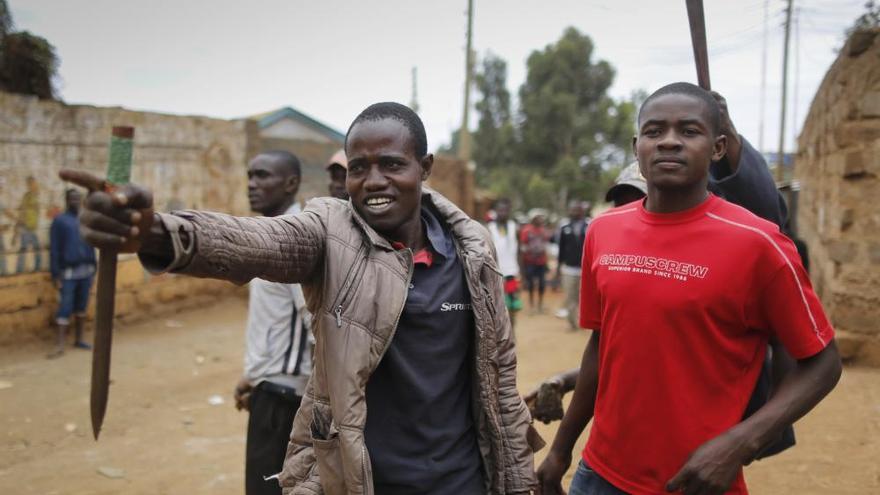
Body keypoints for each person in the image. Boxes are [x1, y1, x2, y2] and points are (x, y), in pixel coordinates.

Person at [63, 102, 538, 494]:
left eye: (392, 164)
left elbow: (499, 386)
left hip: (462, 483)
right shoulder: (331, 233)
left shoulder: (473, 249)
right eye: (358, 168)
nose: (373, 181)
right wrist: (158, 233)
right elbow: (253, 242)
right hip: (358, 482)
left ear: (425, 168)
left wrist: (520, 483)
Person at [536, 82, 841, 495]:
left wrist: (740, 442)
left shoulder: (759, 244)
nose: (669, 142)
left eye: (689, 131)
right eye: (655, 131)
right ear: (636, 145)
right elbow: (601, 346)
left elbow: (823, 364)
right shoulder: (603, 232)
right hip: (599, 475)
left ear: (717, 148)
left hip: (697, 482)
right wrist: (561, 450)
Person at [231, 151, 313, 495]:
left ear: (291, 183)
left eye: (263, 176)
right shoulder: (271, 234)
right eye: (250, 175)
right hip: (271, 388)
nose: (252, 184)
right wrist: (253, 378)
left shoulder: (293, 240)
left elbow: (315, 322)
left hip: (285, 399)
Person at [47, 188, 96, 358]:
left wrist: (94, 268)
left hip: (86, 272)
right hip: (68, 274)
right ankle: (60, 344)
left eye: (78, 199)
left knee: (81, 307)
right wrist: (55, 274)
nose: (75, 202)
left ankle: (79, 339)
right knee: (65, 308)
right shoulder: (60, 221)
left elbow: (91, 243)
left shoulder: (85, 219)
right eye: (72, 199)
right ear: (67, 201)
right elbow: (54, 249)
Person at [553, 200, 590, 330]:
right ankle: (572, 323)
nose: (574, 211)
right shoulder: (564, 227)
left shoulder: (590, 225)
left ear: (582, 211)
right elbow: (561, 250)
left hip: (586, 269)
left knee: (585, 297)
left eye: (577, 209)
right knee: (570, 297)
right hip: (568, 269)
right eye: (572, 209)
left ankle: (584, 322)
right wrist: (558, 269)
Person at [487, 197, 522, 327]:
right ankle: (500, 336)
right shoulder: (489, 228)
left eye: (505, 210)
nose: (503, 213)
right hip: (496, 273)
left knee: (513, 306)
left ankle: (512, 335)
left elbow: (519, 251)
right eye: (500, 210)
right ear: (495, 211)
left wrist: (521, 271)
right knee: (497, 305)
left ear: (509, 211)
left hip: (512, 273)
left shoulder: (515, 227)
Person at [519, 209, 551, 314]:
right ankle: (532, 305)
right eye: (538, 218)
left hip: (541, 262)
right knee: (531, 284)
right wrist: (523, 263)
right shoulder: (526, 231)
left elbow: (546, 246)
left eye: (541, 218)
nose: (540, 220)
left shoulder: (543, 231)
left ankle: (540, 305)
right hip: (530, 262)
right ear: (532, 219)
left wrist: (546, 261)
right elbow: (523, 247)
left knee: (542, 284)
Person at [16, 176, 42, 273]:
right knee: (24, 249)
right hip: (26, 227)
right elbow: (22, 211)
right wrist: (19, 224)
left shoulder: (34, 196)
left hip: (32, 228)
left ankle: (37, 268)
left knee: (36, 248)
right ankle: (20, 270)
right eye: (33, 184)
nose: (35, 185)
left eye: (35, 183)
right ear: (29, 185)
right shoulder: (27, 196)